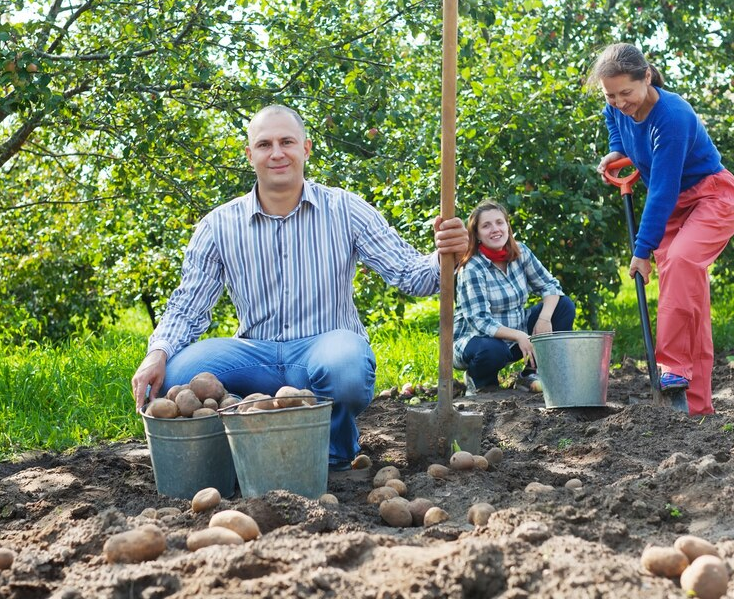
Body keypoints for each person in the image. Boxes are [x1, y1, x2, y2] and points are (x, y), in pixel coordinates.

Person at [131, 104, 469, 471]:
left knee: (346, 368)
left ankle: (334, 448)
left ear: (306, 149)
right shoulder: (219, 226)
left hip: (324, 350)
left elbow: (410, 274)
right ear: (250, 155)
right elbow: (188, 306)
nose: (276, 153)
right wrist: (158, 353)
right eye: (264, 145)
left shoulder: (345, 209)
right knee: (178, 376)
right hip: (254, 355)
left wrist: (446, 255)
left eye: (287, 142)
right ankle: (248, 437)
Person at [591, 42, 734, 415]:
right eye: (611, 94)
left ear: (647, 77)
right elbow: (613, 119)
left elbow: (663, 190)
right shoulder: (617, 104)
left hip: (710, 198)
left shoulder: (672, 116)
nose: (620, 102)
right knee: (693, 305)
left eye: (626, 93)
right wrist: (616, 147)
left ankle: (671, 365)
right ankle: (698, 407)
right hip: (673, 210)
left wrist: (641, 252)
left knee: (682, 261)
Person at [453, 200, 576, 395]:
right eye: (486, 226)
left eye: (499, 223)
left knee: (563, 306)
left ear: (507, 226)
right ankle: (479, 381)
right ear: (476, 234)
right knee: (493, 350)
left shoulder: (520, 252)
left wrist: (544, 319)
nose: (495, 229)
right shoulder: (472, 268)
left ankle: (532, 373)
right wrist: (519, 335)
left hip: (518, 333)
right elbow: (480, 321)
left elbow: (550, 286)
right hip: (478, 340)